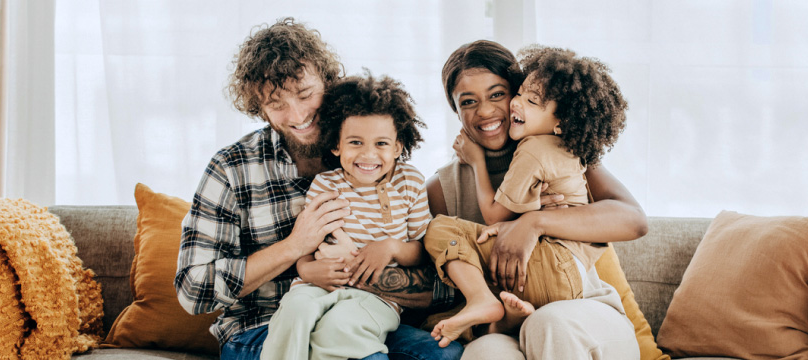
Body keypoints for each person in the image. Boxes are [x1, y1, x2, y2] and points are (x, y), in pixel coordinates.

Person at [175, 18, 461, 360]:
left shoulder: (374, 157)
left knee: (444, 355)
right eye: (276, 103)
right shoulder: (232, 168)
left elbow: (441, 285)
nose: (297, 114)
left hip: (365, 312)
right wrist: (295, 248)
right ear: (258, 108)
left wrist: (360, 272)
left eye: (305, 94)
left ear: (328, 81)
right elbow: (193, 290)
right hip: (265, 327)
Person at [426, 39, 649, 360]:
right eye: (468, 102)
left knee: (549, 323)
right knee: (485, 353)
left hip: (583, 312)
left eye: (497, 94)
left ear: (517, 94)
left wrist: (534, 222)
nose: (485, 111)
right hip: (507, 324)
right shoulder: (442, 188)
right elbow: (445, 283)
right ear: (456, 110)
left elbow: (634, 221)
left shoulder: (564, 149)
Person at [260, 73, 434, 360]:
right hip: (317, 284)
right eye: (355, 142)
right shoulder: (326, 185)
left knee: (339, 327)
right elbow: (309, 243)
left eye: (381, 144)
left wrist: (390, 247)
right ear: (336, 145)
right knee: (295, 311)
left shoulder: (410, 182)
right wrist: (305, 269)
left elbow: (422, 249)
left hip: (378, 297)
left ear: (398, 147)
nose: (368, 155)